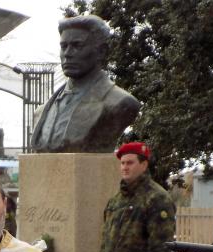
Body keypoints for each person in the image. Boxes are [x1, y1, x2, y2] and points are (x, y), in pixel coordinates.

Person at [30, 15, 140, 153]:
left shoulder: (119, 102)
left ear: (101, 51)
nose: (68, 53)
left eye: (77, 46)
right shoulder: (41, 112)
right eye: (64, 46)